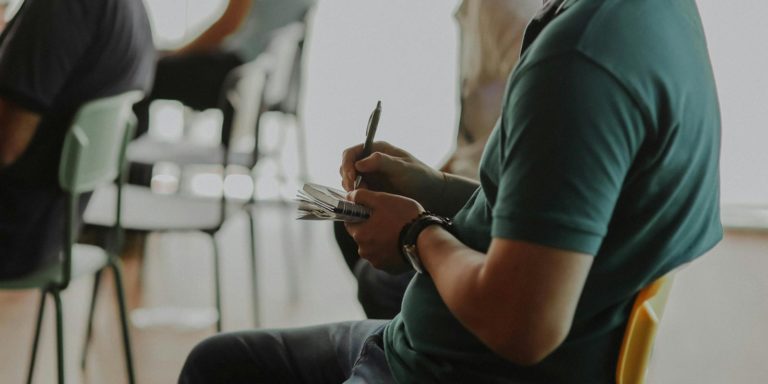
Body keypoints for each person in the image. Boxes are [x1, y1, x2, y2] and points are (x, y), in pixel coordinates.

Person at [179, 0, 723, 382]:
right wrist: (433, 187)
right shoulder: (653, 15)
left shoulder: (579, 61)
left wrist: (418, 234)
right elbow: (549, 220)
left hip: (461, 370)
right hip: (441, 348)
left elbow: (523, 326)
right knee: (219, 363)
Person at [335, 0, 541, 320]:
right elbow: (477, 130)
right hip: (472, 186)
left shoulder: (507, 16)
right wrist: (429, 175)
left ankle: (410, 346)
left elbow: (521, 150)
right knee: (348, 218)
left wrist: (421, 225)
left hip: (487, 200)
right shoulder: (474, 9)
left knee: (377, 280)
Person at [0, 0, 155, 278]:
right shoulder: (129, 8)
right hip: (55, 232)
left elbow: (5, 146)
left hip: (13, 234)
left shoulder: (60, 7)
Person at [132, 0, 316, 138]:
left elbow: (227, 26)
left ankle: (127, 171)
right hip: (256, 82)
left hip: (233, 79)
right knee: (153, 68)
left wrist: (177, 54)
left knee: (143, 71)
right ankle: (136, 174)